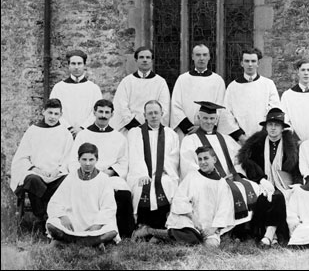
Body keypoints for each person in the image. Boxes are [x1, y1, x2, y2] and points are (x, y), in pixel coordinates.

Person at [180, 101, 260, 231]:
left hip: (229, 178)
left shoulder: (225, 138)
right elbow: (189, 166)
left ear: (216, 120)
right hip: (206, 182)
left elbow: (238, 160)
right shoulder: (190, 140)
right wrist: (214, 178)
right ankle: (225, 229)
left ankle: (245, 227)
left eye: (212, 118)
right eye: (205, 118)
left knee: (252, 187)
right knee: (224, 191)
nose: (208, 122)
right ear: (199, 118)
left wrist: (236, 174)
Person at [68, 99, 134, 238]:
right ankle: (86, 230)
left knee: (123, 193)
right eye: (100, 112)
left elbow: (123, 161)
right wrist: (88, 173)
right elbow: (74, 159)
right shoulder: (83, 135)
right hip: (86, 176)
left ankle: (124, 233)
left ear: (112, 114)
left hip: (110, 176)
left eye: (107, 112)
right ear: (94, 112)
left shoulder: (118, 137)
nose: (103, 115)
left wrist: (108, 172)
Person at [237, 107, 302, 247]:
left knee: (279, 196)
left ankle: (269, 235)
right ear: (265, 127)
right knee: (265, 197)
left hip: (285, 184)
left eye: (277, 125)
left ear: (282, 128)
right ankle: (271, 235)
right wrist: (260, 179)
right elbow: (249, 164)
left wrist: (296, 183)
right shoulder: (257, 145)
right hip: (263, 182)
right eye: (270, 125)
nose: (273, 128)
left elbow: (296, 168)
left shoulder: (291, 147)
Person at [10, 98, 73, 231]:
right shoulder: (33, 131)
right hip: (37, 173)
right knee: (31, 180)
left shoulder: (65, 133)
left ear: (61, 115)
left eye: (56, 114)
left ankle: (50, 216)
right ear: (43, 112)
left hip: (56, 174)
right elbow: (22, 157)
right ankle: (43, 216)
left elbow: (68, 157)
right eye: (50, 113)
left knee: (69, 180)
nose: (52, 117)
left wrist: (59, 170)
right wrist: (36, 169)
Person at [46, 142, 119, 250]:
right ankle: (92, 243)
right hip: (73, 223)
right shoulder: (71, 177)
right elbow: (55, 202)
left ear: (97, 160)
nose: (88, 163)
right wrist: (63, 216)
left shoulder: (104, 179)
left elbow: (109, 207)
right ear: (79, 159)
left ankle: (67, 241)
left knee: (111, 229)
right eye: (84, 159)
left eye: (91, 159)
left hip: (94, 223)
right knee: (52, 223)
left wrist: (97, 224)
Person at [165, 146, 236, 247]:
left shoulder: (222, 184)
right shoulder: (192, 176)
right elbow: (180, 198)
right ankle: (152, 232)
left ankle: (164, 237)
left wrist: (213, 229)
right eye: (200, 159)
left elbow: (224, 209)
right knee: (190, 237)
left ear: (214, 159)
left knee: (211, 245)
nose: (202, 162)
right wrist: (193, 218)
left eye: (206, 158)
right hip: (189, 220)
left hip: (209, 225)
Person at [128, 100, 180, 239]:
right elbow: (135, 156)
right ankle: (142, 224)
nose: (153, 116)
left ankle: (161, 226)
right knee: (142, 186)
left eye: (156, 112)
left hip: (164, 173)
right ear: (144, 115)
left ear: (162, 114)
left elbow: (173, 157)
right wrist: (143, 173)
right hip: (141, 173)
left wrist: (162, 169)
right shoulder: (135, 133)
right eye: (150, 113)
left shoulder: (170, 134)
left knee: (167, 184)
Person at [218, 47, 280, 145]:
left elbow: (274, 110)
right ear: (242, 63)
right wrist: (240, 136)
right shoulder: (233, 87)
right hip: (240, 141)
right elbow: (226, 114)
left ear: (258, 63)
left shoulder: (268, 84)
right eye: (247, 61)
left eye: (253, 61)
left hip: (264, 138)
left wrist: (263, 134)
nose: (250, 64)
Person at [170, 44, 226, 142]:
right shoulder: (182, 79)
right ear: (192, 57)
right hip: (186, 132)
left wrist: (203, 127)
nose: (201, 58)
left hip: (209, 131)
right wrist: (189, 127)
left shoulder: (218, 80)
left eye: (204, 55)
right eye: (198, 55)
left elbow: (220, 107)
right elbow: (175, 106)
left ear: (209, 57)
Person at [111, 46, 171, 134]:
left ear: (152, 60)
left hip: (153, 130)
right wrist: (135, 126)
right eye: (141, 57)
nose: (145, 60)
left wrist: (149, 126)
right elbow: (121, 106)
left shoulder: (160, 82)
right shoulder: (127, 81)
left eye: (148, 57)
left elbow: (164, 108)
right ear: (136, 60)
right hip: (130, 129)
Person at [49, 49, 103, 139]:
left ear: (84, 65)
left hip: (87, 133)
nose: (76, 67)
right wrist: (69, 128)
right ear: (68, 66)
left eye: (79, 63)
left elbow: (97, 112)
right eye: (73, 64)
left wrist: (82, 128)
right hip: (64, 133)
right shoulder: (59, 88)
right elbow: (53, 110)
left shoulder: (94, 88)